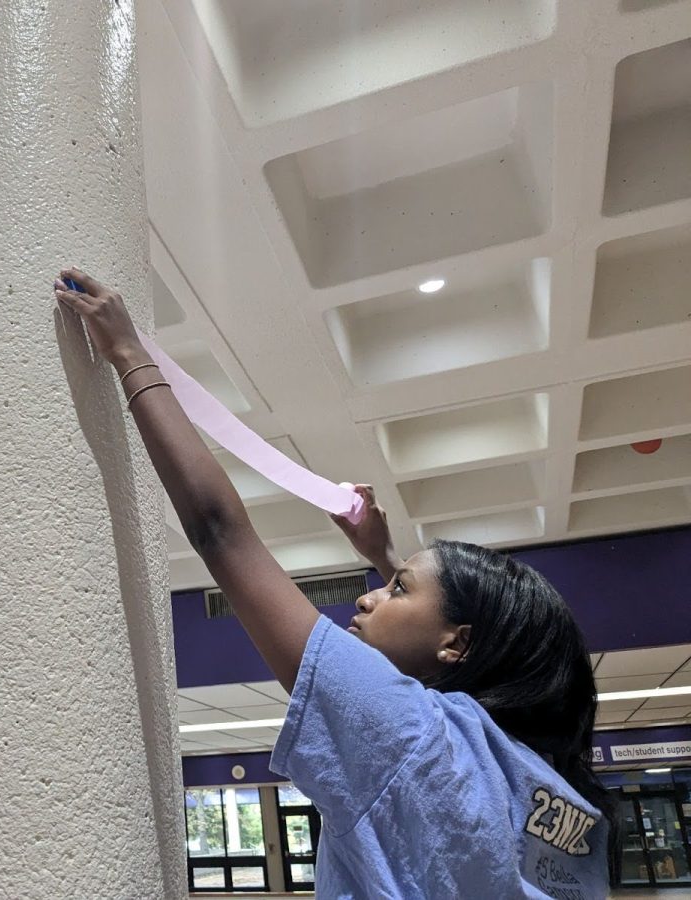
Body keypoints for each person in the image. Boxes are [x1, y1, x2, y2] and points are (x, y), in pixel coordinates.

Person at [54, 268, 617, 898]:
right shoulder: (562, 803)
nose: (369, 596)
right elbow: (446, 652)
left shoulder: (414, 736)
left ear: (458, 643)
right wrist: (385, 558)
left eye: (396, 590)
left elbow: (219, 532)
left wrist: (129, 355)